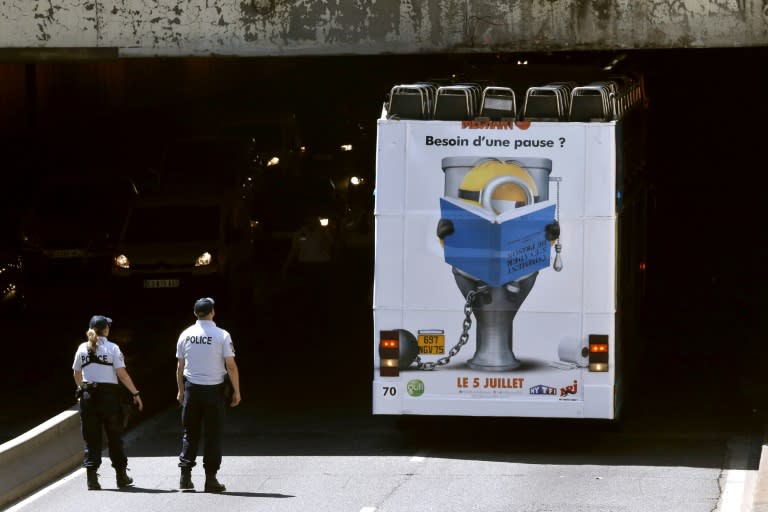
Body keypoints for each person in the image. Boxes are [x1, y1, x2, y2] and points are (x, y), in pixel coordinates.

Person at [176, 297, 241, 493]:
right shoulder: (222, 335)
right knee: (213, 435)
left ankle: (185, 477)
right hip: (214, 391)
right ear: (212, 312)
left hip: (192, 390)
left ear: (196, 314)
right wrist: (237, 391)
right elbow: (230, 365)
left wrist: (180, 390)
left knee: (190, 433)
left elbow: (180, 366)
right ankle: (211, 480)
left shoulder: (185, 334)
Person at [72, 315, 143, 491]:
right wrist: (135, 393)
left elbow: (76, 373)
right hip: (109, 400)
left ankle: (92, 480)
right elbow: (122, 374)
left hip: (89, 398)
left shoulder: (82, 348)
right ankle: (121, 477)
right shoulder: (112, 348)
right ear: (106, 330)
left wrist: (82, 389)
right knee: (114, 439)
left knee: (91, 440)